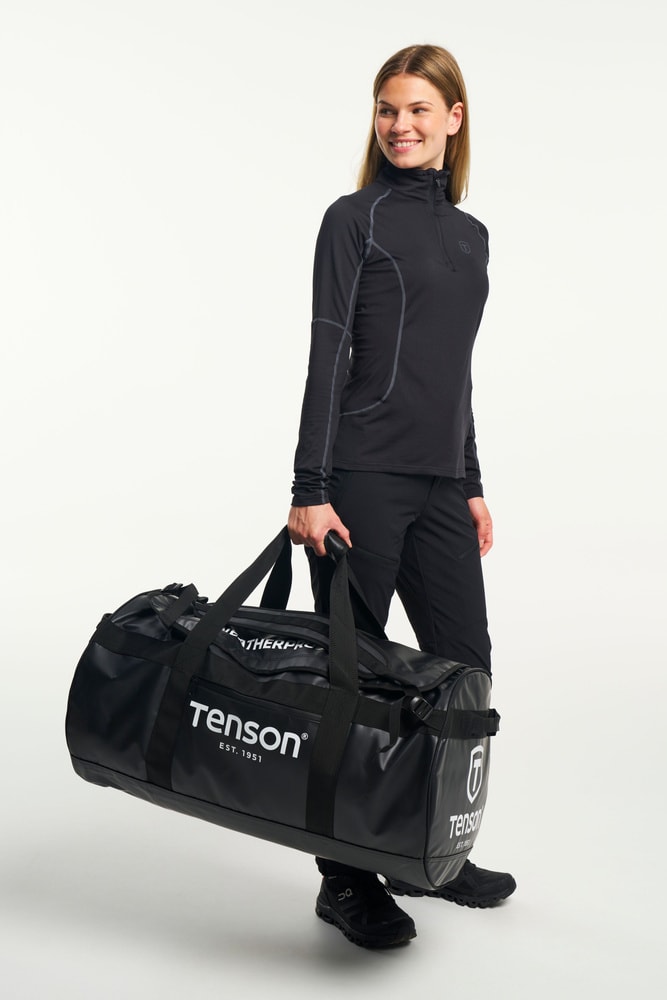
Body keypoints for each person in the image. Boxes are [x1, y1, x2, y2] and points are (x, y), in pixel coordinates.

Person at [288, 44, 515, 949]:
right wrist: (309, 488)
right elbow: (327, 353)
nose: (400, 125)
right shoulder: (353, 219)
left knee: (463, 670)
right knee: (350, 683)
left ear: (453, 118)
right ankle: (342, 878)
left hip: (438, 485)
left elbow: (453, 373)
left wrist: (470, 481)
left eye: (418, 109)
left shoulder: (470, 234)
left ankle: (423, 853)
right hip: (360, 481)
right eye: (387, 109)